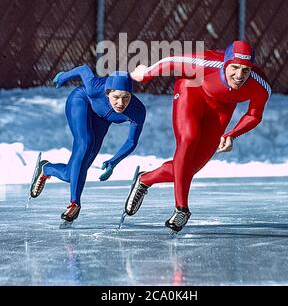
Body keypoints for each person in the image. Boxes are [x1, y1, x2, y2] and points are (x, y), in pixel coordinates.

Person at [125, 40, 271, 232]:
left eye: (246, 70)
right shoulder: (206, 63)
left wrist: (232, 134)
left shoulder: (260, 85)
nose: (239, 75)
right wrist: (145, 74)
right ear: (226, 63)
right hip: (192, 90)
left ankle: (145, 180)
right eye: (234, 68)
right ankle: (182, 209)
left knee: (190, 168)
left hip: (221, 110)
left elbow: (254, 115)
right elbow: (171, 60)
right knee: (189, 138)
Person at [30, 65, 146, 222]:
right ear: (108, 93)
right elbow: (84, 69)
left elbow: (132, 141)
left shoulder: (138, 110)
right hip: (81, 101)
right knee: (85, 141)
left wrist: (114, 161)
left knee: (72, 175)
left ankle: (46, 168)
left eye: (126, 97)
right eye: (116, 97)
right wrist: (63, 76)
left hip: (102, 120)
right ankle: (74, 203)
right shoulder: (94, 87)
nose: (121, 103)